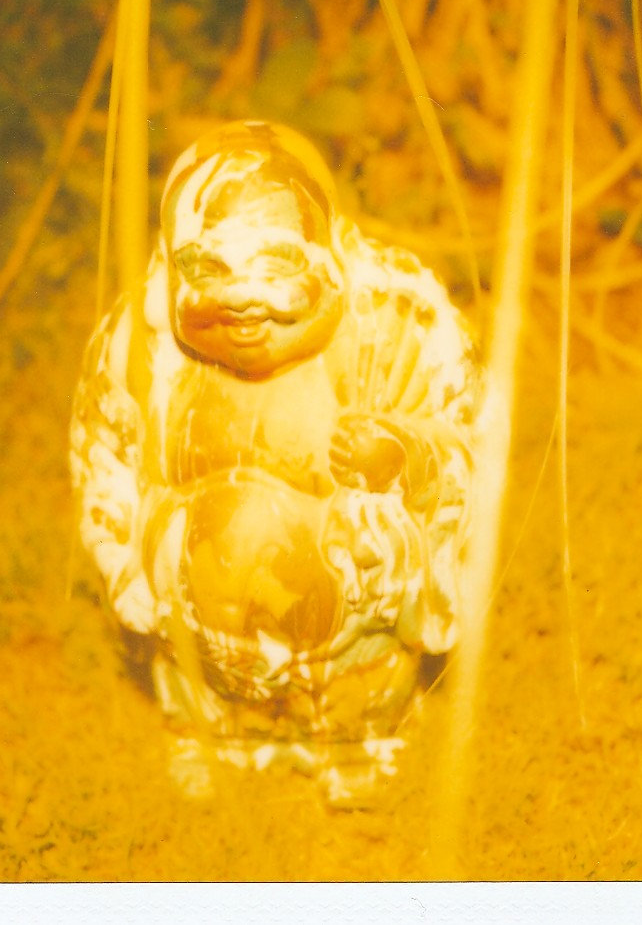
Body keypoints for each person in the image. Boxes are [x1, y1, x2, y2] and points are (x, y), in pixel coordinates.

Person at [70, 120, 480, 802]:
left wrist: (406, 456)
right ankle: (214, 733)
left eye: (277, 265)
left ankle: (355, 741)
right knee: (195, 689)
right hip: (194, 636)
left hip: (353, 640)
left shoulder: (397, 326)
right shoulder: (137, 346)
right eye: (208, 269)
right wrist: (122, 564)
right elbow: (103, 456)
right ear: (169, 262)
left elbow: (464, 441)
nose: (241, 296)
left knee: (362, 686)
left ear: (333, 250)